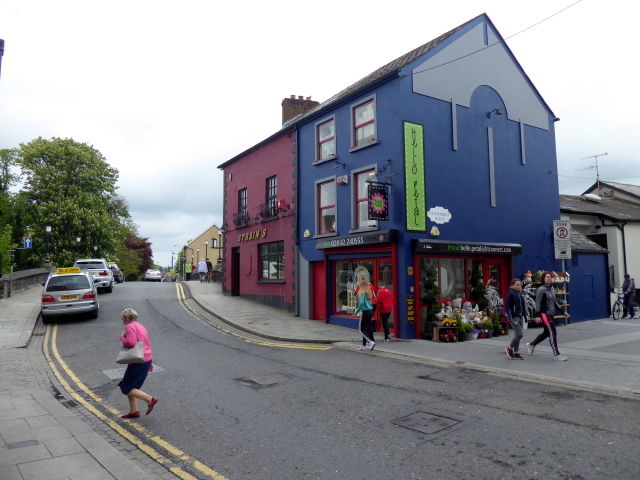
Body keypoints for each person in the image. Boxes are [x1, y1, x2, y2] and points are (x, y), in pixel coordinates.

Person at [119, 308, 158, 418]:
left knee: (125, 387)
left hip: (139, 361)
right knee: (133, 387)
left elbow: (131, 343)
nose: (122, 322)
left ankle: (150, 399)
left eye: (123, 319)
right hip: (146, 359)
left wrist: (122, 337)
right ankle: (134, 411)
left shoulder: (129, 326)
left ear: (126, 318)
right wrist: (150, 362)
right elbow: (147, 343)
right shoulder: (141, 326)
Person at [526, 271, 570, 361]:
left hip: (551, 314)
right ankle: (556, 354)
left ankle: (531, 344)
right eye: (547, 277)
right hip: (544, 314)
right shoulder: (541, 289)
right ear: (543, 279)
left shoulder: (551, 289)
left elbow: (554, 302)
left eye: (550, 277)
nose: (549, 278)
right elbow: (537, 303)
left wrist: (563, 312)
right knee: (553, 332)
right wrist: (537, 315)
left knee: (546, 333)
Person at [505, 278, 528, 359]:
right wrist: (511, 319)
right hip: (514, 316)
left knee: (517, 334)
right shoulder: (511, 294)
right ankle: (509, 348)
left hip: (520, 315)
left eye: (520, 285)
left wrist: (525, 317)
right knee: (519, 334)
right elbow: (508, 308)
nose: (519, 286)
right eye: (517, 285)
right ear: (512, 285)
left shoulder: (521, 293)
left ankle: (516, 352)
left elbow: (523, 306)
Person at [354, 275, 375, 352]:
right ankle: (363, 346)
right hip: (370, 311)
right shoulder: (368, 292)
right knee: (365, 329)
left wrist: (356, 311)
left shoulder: (362, 292)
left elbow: (361, 303)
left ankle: (371, 342)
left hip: (365, 312)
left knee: (361, 330)